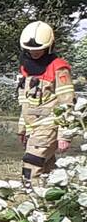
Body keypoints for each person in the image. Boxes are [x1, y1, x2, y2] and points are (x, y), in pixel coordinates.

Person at [17, 21, 75, 185]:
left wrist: (64, 135)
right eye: (30, 49)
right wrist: (22, 128)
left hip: (49, 125)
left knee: (32, 163)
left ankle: (30, 195)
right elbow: (25, 102)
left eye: (38, 49)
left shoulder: (59, 68)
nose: (34, 52)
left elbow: (67, 102)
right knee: (49, 171)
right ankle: (55, 198)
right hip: (33, 127)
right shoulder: (25, 68)